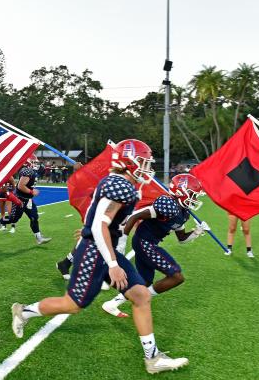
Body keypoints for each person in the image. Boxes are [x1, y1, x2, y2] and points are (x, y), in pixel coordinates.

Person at [10, 139, 189, 374]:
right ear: (128, 162)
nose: (147, 168)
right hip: (97, 252)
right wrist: (111, 262)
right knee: (72, 305)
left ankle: (152, 359)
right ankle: (23, 311)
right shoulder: (121, 186)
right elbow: (100, 224)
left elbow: (101, 218)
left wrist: (93, 230)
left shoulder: (122, 183)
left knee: (141, 295)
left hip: (104, 247)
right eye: (143, 162)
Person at [101, 173, 209, 318]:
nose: (194, 199)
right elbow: (135, 216)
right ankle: (143, 296)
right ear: (181, 192)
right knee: (177, 277)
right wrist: (122, 242)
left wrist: (197, 232)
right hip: (144, 242)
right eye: (192, 195)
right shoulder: (168, 205)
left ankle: (112, 303)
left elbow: (181, 238)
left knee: (144, 281)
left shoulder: (183, 213)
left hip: (149, 243)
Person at [7, 154, 52, 244]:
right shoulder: (27, 171)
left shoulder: (32, 171)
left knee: (34, 217)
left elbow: (37, 174)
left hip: (28, 200)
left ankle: (39, 238)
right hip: (20, 199)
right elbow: (20, 186)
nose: (36, 164)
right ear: (29, 162)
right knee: (13, 219)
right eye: (34, 162)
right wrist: (32, 192)